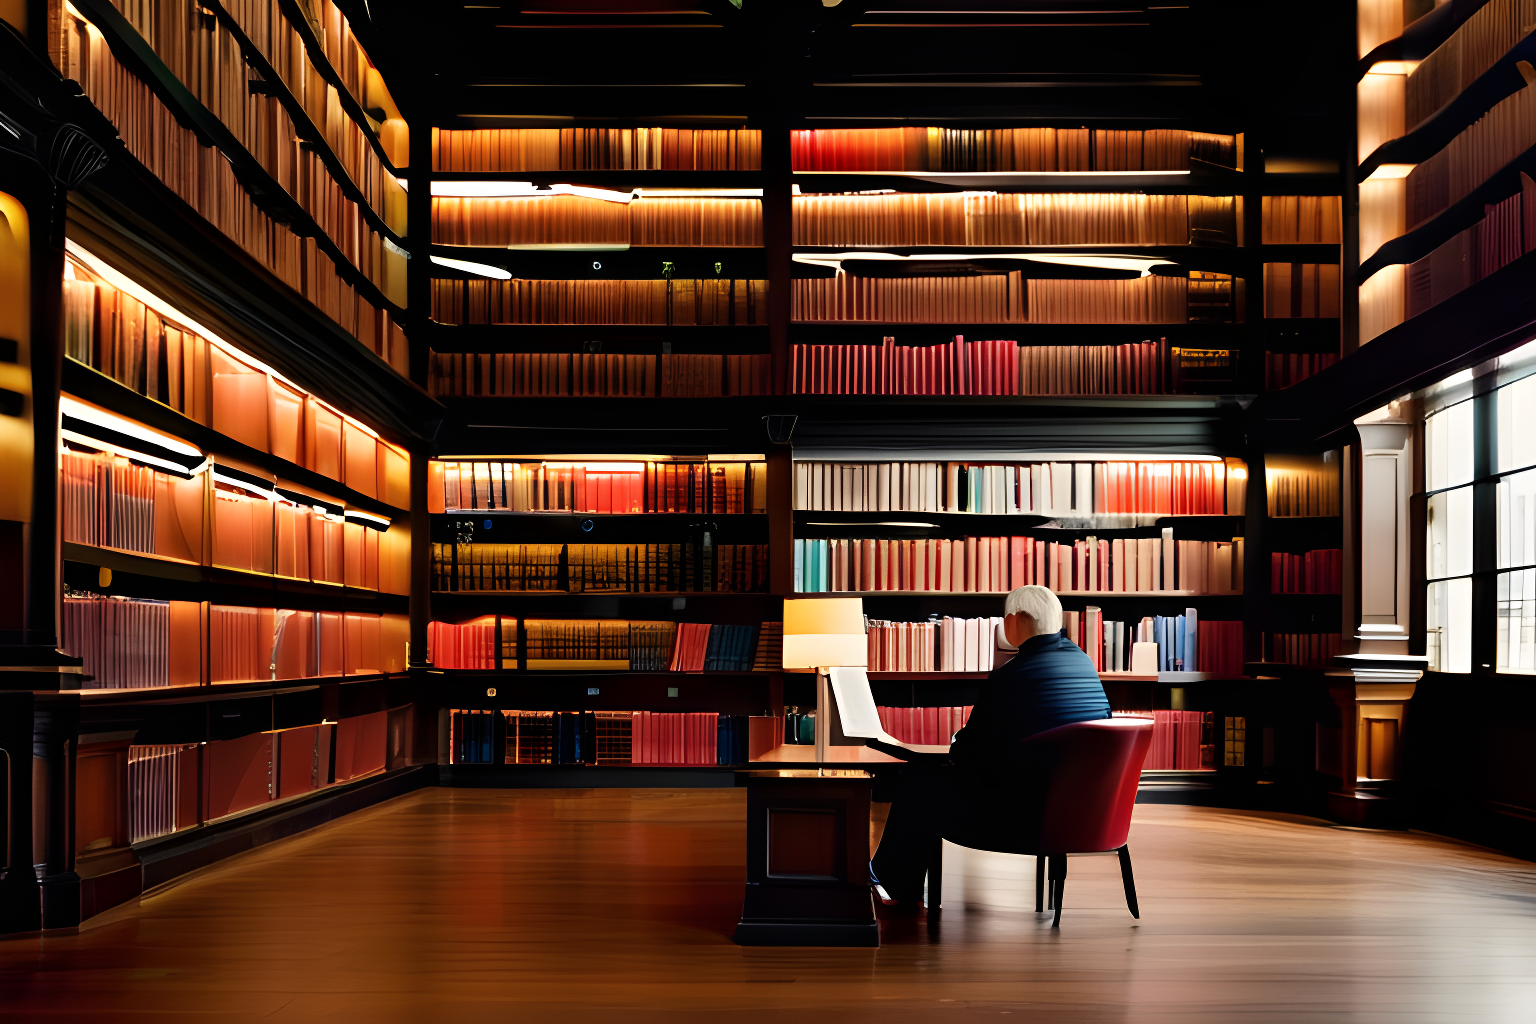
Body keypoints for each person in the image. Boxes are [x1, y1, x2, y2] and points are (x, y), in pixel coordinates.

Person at [869, 584, 1112, 906]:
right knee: (932, 781)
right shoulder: (1083, 664)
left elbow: (967, 754)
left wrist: (960, 741)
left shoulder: (1011, 676)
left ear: (1013, 620)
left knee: (920, 781)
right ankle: (896, 881)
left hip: (1024, 816)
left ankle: (893, 883)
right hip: (1084, 809)